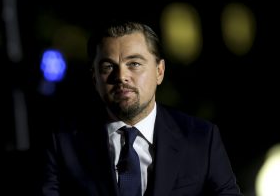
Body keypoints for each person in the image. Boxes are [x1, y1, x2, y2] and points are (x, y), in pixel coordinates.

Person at [40, 19, 243, 196]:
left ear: (159, 71)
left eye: (134, 64)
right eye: (108, 67)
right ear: (95, 78)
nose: (121, 77)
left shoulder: (201, 138)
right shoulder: (63, 143)